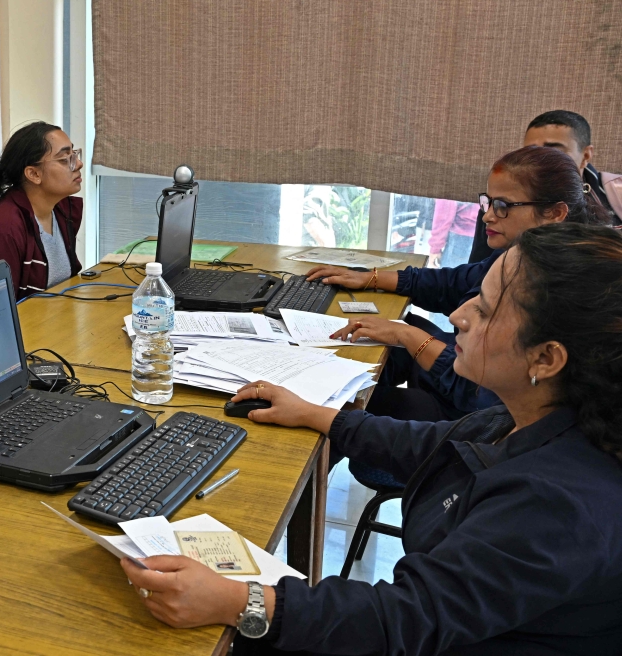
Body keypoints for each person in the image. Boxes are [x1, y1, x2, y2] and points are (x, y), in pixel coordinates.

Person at [122, 223, 622, 655]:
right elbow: (427, 445)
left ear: (547, 359)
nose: (459, 316)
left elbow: (405, 618)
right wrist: (316, 414)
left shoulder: (557, 502)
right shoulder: (532, 419)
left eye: (486, 311)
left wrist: (239, 601)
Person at [306, 146, 608, 423]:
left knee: (354, 407)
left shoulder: (560, 289)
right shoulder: (517, 255)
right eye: (488, 202)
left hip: (476, 419)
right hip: (462, 380)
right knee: (378, 338)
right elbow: (451, 283)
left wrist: (409, 336)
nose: (488, 216)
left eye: (503, 205)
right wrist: (370, 278)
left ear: (554, 214)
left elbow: (479, 394)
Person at [468, 110, 622, 263]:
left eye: (554, 150)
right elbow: (475, 272)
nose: (541, 160)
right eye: (531, 151)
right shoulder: (499, 206)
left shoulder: (615, 194)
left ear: (586, 155)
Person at [0, 121, 84, 299]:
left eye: (75, 154)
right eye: (65, 159)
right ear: (34, 174)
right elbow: (0, 311)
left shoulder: (61, 210)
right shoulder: (2, 230)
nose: (78, 164)